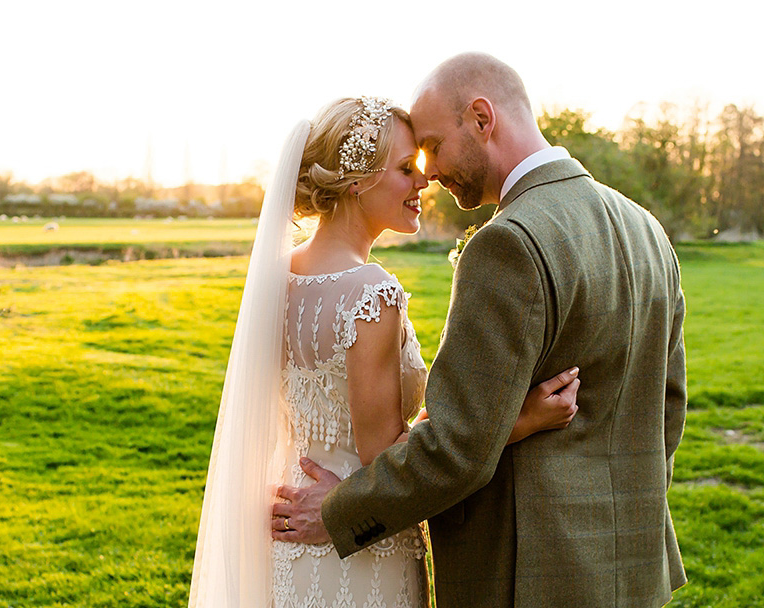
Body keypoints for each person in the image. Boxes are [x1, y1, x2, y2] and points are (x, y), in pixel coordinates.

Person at [275, 53, 688, 607]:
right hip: (633, 573)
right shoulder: (647, 230)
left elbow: (455, 447)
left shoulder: (509, 241)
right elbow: (668, 406)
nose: (433, 172)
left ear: (481, 118)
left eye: (436, 146)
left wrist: (340, 511)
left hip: (531, 574)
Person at [188, 95, 581, 607]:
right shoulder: (370, 293)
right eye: (405, 168)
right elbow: (383, 455)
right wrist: (517, 421)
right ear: (357, 180)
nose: (424, 181)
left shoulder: (278, 276)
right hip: (357, 541)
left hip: (288, 528)